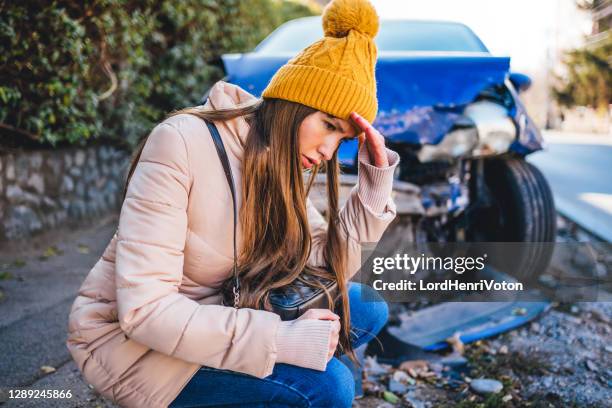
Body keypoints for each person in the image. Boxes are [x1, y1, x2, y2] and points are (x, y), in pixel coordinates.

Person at [66, 0, 400, 406]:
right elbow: (145, 312)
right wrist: (281, 340)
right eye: (327, 126)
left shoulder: (280, 161)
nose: (329, 151)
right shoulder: (181, 142)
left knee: (366, 306)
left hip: (219, 309)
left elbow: (325, 266)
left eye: (343, 140)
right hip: (132, 345)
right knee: (331, 387)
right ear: (291, 104)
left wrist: (374, 186)